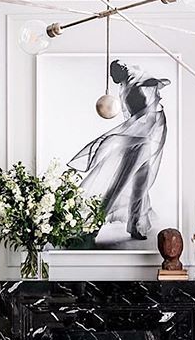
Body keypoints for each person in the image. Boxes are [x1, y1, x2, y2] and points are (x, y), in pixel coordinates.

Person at [69, 60, 170, 241]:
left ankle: (134, 225)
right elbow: (145, 107)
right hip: (137, 142)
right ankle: (93, 228)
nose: (126, 67)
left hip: (145, 141)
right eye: (121, 68)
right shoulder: (132, 89)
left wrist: (151, 82)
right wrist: (151, 82)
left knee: (140, 185)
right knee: (118, 185)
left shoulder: (131, 85)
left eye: (124, 66)